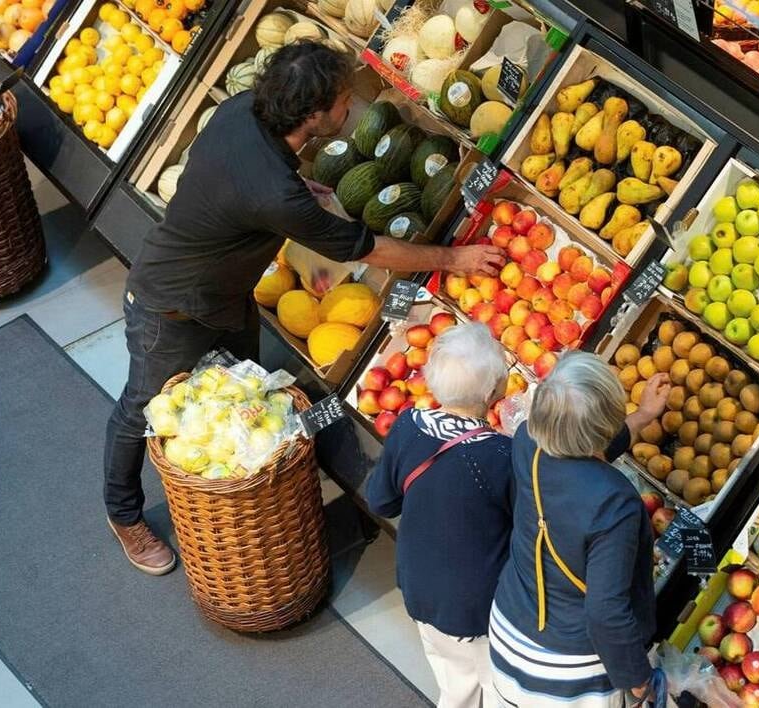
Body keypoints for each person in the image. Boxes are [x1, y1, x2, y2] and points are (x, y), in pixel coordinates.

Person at [104, 41, 505, 575]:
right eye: (343, 101)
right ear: (313, 116)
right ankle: (124, 515)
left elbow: (242, 180)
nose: (349, 108)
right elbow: (367, 247)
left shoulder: (239, 111)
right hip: (172, 308)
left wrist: (293, 190)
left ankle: (262, 496)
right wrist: (453, 257)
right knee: (141, 408)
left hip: (225, 298)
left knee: (248, 398)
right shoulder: (276, 194)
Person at [490, 352, 670, 707]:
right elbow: (605, 611)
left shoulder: (528, 441)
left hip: (508, 628)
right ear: (605, 426)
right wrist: (636, 678)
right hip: (565, 671)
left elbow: (581, 450)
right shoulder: (613, 503)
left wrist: (644, 416)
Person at [365, 322, 513, 708]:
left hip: (420, 586)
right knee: (499, 688)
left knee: (455, 683)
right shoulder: (500, 456)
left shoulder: (408, 426)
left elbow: (380, 501)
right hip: (478, 605)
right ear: (492, 392)